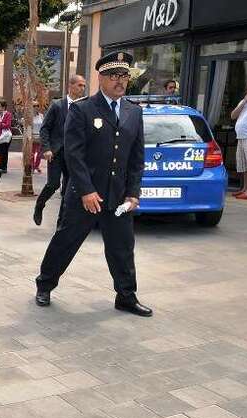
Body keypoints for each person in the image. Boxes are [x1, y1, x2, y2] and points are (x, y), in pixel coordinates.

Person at [35, 52, 151, 318]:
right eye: (114, 76)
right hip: (85, 195)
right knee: (66, 242)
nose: (120, 81)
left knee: (123, 247)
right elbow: (74, 154)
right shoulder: (82, 109)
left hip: (118, 196)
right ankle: (45, 285)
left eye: (124, 76)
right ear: (101, 78)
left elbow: (137, 157)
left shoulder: (134, 112)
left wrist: (133, 193)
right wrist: (86, 190)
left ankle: (126, 296)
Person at [34, 74, 87, 226]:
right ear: (70, 86)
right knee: (53, 184)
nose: (82, 88)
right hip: (56, 152)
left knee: (68, 190)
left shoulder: (84, 107)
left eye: (84, 86)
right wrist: (46, 148)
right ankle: (40, 204)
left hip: (74, 154)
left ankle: (61, 222)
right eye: (80, 85)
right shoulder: (57, 106)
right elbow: (45, 129)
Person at [0, 100, 13, 173]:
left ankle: (4, 167)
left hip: (5, 136)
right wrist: (2, 124)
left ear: (3, 107)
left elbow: (8, 125)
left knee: (4, 152)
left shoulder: (8, 114)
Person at [31, 102, 45, 173]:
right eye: (34, 106)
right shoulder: (30, 117)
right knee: (32, 153)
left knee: (39, 153)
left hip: (40, 136)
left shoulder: (41, 116)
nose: (36, 107)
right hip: (32, 136)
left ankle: (36, 166)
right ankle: (32, 167)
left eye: (37, 105)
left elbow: (44, 126)